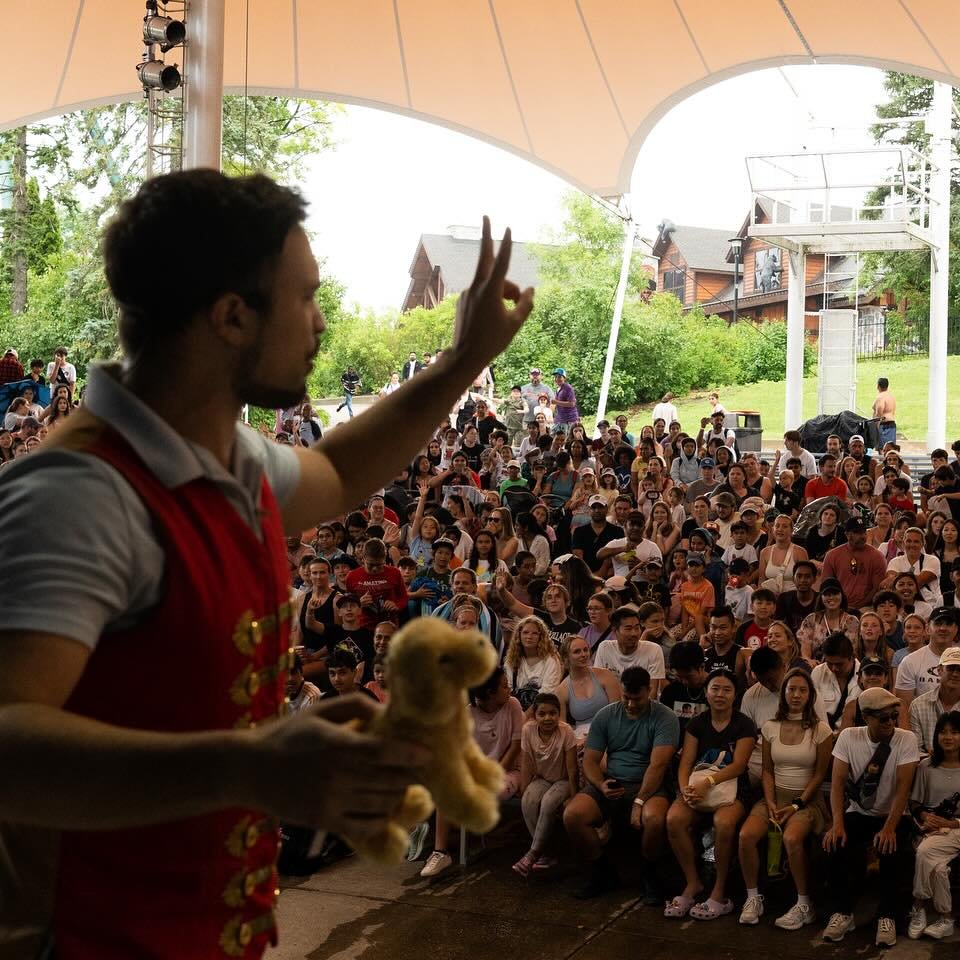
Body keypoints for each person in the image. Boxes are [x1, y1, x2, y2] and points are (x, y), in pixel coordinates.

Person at [0, 172, 537, 959]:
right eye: (307, 297)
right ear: (231, 317)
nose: (321, 322)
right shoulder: (82, 494)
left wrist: (461, 363)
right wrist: (250, 764)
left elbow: (343, 472)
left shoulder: (228, 461)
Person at [562, 667, 679, 900]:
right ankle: (601, 870)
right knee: (573, 815)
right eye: (626, 697)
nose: (631, 704)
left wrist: (640, 800)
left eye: (638, 699)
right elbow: (591, 760)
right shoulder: (606, 715)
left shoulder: (665, 718)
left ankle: (649, 873)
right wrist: (601, 783)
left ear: (649, 692)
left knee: (654, 819)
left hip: (648, 784)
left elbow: (657, 766)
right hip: (613, 780)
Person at [822, 687, 920, 947]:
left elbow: (903, 789)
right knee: (838, 844)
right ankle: (842, 911)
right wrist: (837, 824)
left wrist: (889, 828)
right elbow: (837, 784)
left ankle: (888, 915)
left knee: (893, 850)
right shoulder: (848, 738)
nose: (890, 723)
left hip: (894, 814)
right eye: (883, 718)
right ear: (866, 717)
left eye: (893, 716)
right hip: (860, 812)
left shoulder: (906, 739)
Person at [738, 668, 832, 929]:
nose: (796, 695)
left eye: (803, 690)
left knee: (791, 837)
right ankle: (753, 897)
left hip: (806, 800)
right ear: (784, 693)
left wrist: (796, 804)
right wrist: (769, 801)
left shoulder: (821, 730)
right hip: (773, 796)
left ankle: (804, 903)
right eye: (792, 689)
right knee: (746, 835)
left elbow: (819, 774)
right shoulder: (770, 726)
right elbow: (767, 769)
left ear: (811, 695)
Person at [664, 670, 755, 921]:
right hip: (698, 786)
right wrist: (686, 789)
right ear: (706, 691)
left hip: (733, 787)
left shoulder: (744, 724)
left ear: (736, 694)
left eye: (727, 689)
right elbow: (686, 763)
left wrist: (709, 782)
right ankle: (693, 883)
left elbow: (738, 765)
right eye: (715, 688)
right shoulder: (697, 723)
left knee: (724, 823)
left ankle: (719, 889)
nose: (720, 694)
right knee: (674, 819)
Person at [420, 668, 523, 879]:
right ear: (488, 693)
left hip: (509, 770)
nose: (509, 689)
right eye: (503, 686)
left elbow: (515, 747)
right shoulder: (467, 714)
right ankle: (441, 852)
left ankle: (482, 837)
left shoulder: (513, 705)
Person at [906, 710, 960, 941]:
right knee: (938, 868)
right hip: (930, 826)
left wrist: (951, 822)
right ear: (936, 736)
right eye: (943, 732)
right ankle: (946, 918)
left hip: (957, 828)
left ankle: (918, 906)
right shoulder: (926, 766)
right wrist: (926, 817)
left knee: (925, 851)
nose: (948, 737)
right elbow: (915, 801)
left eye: (955, 732)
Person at [513, 693, 578, 875]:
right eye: (542, 714)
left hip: (563, 780)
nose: (548, 718)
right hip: (542, 778)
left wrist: (574, 796)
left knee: (549, 802)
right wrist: (524, 787)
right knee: (528, 801)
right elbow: (526, 763)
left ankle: (532, 854)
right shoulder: (528, 730)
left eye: (552, 713)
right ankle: (545, 853)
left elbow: (572, 769)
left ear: (559, 714)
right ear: (535, 716)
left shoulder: (566, 732)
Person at [896, 607, 960, 720]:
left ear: (956, 629)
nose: (943, 628)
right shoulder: (910, 662)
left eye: (948, 624)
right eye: (938, 623)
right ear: (927, 629)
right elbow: (903, 710)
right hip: (921, 729)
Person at [592, 605, 666, 694]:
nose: (634, 633)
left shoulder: (653, 650)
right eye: (628, 629)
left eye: (637, 628)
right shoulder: (605, 648)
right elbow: (599, 686)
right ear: (615, 630)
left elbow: (652, 692)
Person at [503, 616, 564, 713]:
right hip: (515, 709)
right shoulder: (512, 660)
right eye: (525, 632)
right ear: (519, 635)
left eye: (535, 633)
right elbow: (508, 690)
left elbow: (547, 694)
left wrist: (524, 717)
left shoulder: (551, 660)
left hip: (543, 711)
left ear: (541, 636)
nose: (529, 636)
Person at [659, 642, 709, 734]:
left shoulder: (715, 690)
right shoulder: (671, 691)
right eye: (679, 677)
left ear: (702, 667)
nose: (684, 681)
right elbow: (663, 724)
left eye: (688, 677)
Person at [550, 368, 579, 435]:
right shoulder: (558, 388)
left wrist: (556, 402)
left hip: (569, 420)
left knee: (567, 439)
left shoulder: (568, 388)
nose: (557, 379)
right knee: (554, 436)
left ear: (564, 378)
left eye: (559, 377)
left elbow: (572, 404)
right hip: (560, 419)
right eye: (555, 377)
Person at [873, 377, 897, 448]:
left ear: (878, 386)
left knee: (883, 448)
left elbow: (878, 414)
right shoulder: (891, 397)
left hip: (883, 426)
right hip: (892, 425)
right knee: (891, 448)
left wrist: (875, 429)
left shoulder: (880, 397)